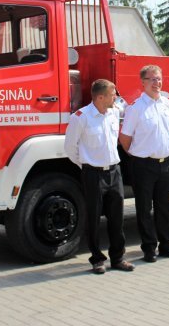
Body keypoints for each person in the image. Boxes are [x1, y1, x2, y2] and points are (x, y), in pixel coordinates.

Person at [64, 79, 134, 274]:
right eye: (113, 94)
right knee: (93, 217)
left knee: (117, 217)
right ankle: (97, 259)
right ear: (100, 97)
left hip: (114, 171)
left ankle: (118, 258)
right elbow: (70, 148)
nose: (116, 98)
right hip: (93, 173)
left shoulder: (113, 113)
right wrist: (86, 164)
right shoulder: (81, 117)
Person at [119, 65, 169, 262]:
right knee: (144, 208)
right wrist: (138, 155)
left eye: (159, 79)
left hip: (165, 164)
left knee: (164, 207)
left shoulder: (168, 105)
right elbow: (124, 139)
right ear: (144, 82)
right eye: (152, 79)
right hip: (143, 165)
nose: (157, 83)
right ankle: (149, 248)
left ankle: (166, 245)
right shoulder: (135, 108)